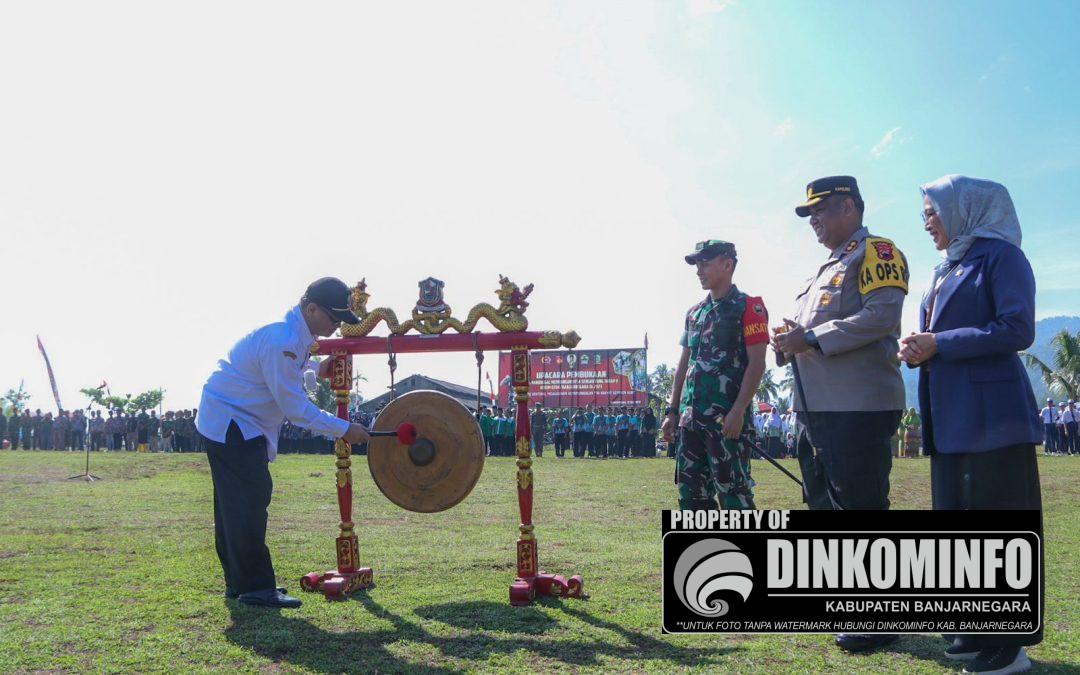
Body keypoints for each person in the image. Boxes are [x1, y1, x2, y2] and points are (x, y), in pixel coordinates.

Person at [898, 175, 1043, 674]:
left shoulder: (1002, 257)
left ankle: (1009, 644)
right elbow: (943, 335)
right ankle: (975, 627)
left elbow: (1017, 328)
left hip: (993, 418)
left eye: (932, 212)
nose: (926, 223)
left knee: (998, 526)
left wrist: (941, 342)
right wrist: (920, 346)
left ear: (964, 209)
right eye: (924, 214)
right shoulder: (948, 266)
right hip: (952, 417)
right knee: (960, 525)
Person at [771, 177, 907, 654]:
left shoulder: (877, 252)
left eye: (820, 211)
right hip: (816, 407)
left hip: (859, 405)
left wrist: (809, 337)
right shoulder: (824, 268)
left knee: (861, 508)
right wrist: (790, 340)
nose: (813, 221)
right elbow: (813, 333)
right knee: (823, 506)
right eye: (809, 214)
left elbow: (882, 316)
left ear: (848, 207)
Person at [196, 277, 370, 609]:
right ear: (312, 308)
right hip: (234, 423)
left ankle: (239, 582)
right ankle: (256, 588)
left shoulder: (293, 337)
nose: (336, 326)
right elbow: (296, 408)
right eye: (333, 318)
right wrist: (344, 429)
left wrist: (316, 369)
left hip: (231, 420)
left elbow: (285, 372)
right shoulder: (283, 341)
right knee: (249, 501)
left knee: (234, 505)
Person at [662, 240, 769, 511]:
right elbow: (684, 365)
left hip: (726, 422)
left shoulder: (749, 307)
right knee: (691, 497)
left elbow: (757, 363)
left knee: (734, 495)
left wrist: (739, 410)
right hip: (691, 421)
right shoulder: (694, 313)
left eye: (705, 263)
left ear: (728, 264)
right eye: (697, 264)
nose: (699, 270)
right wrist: (672, 411)